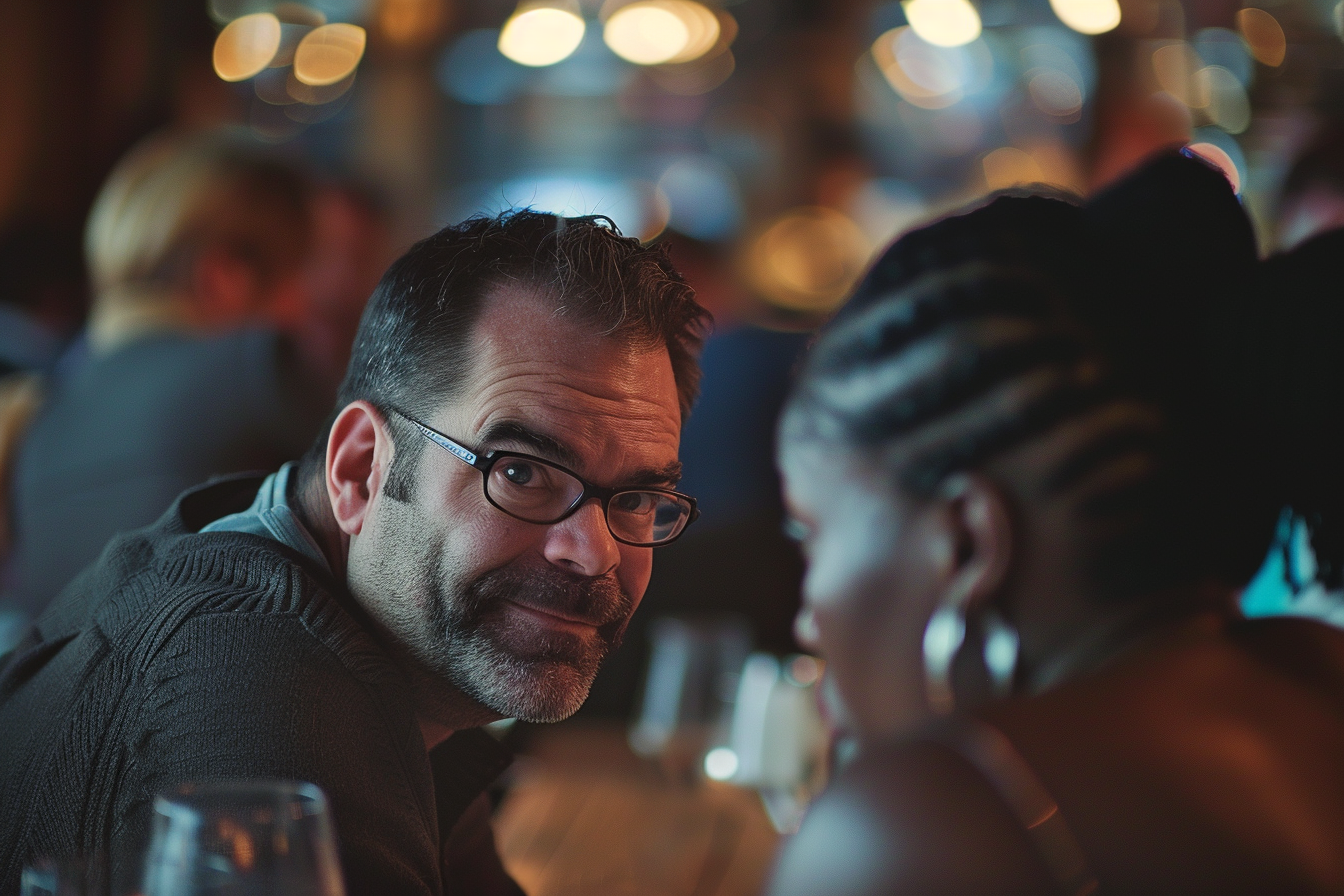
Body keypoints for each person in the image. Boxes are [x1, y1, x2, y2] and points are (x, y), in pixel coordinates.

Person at [0, 208, 708, 895]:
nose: (592, 553)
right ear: (360, 469)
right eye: (521, 472)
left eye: (638, 499)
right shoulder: (265, 697)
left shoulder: (391, 654)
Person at [767, 151, 1344, 895]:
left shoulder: (926, 823)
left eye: (812, 535)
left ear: (970, 543)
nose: (809, 620)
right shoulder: (1318, 682)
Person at [4, 129, 331, 616]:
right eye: (301, 273)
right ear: (224, 277)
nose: (307, 307)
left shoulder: (34, 423)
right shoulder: (252, 372)